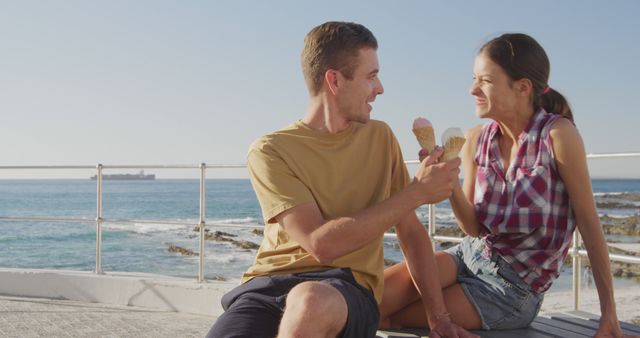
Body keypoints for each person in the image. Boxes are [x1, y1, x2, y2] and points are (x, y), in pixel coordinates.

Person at [207, 21, 475, 338]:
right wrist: (417, 192)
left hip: (348, 288)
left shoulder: (381, 138)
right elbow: (321, 243)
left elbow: (411, 233)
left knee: (310, 302)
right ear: (334, 80)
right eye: (371, 76)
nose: (380, 88)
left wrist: (439, 318)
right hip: (266, 288)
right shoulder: (269, 151)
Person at [379, 33, 630, 337]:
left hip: (510, 292)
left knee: (391, 320)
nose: (472, 89)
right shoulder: (475, 139)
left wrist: (610, 316)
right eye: (474, 79)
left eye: (484, 81)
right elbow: (472, 227)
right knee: (371, 303)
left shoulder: (558, 136)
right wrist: (451, 182)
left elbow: (590, 227)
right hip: (468, 256)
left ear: (522, 87)